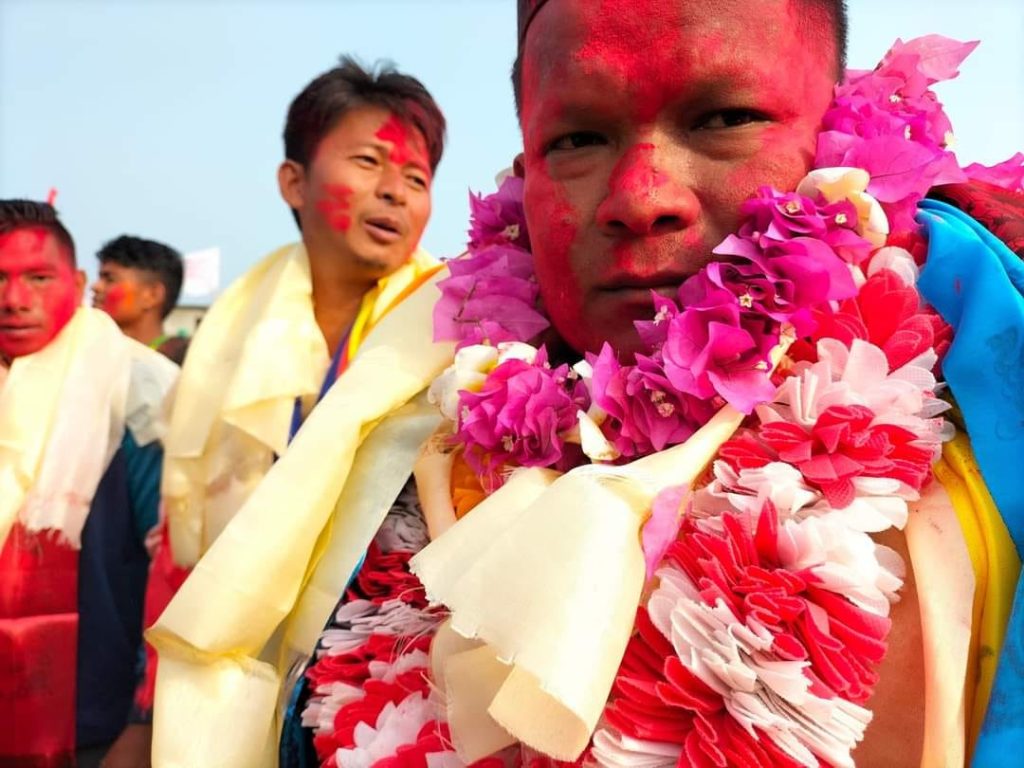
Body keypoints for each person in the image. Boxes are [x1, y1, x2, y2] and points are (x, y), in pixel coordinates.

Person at [150, 2, 1024, 766]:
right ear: (522, 175)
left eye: (725, 117)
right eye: (576, 139)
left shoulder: (969, 431)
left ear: (839, 134)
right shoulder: (420, 432)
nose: (641, 198)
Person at [140, 55, 446, 762]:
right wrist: (145, 705)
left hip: (380, 694)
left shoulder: (454, 333)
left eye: (417, 178)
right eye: (368, 162)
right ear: (293, 182)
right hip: (228, 676)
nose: (394, 192)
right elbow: (177, 546)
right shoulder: (229, 335)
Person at [0, 200, 177, 767]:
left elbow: (177, 567)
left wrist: (145, 721)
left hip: (91, 724)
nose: (14, 299)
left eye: (38, 278)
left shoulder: (141, 389)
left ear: (76, 284)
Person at [92, 234, 189, 364]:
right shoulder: (88, 355)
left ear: (152, 295)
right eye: (99, 278)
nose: (95, 286)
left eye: (110, 279)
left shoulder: (186, 364)